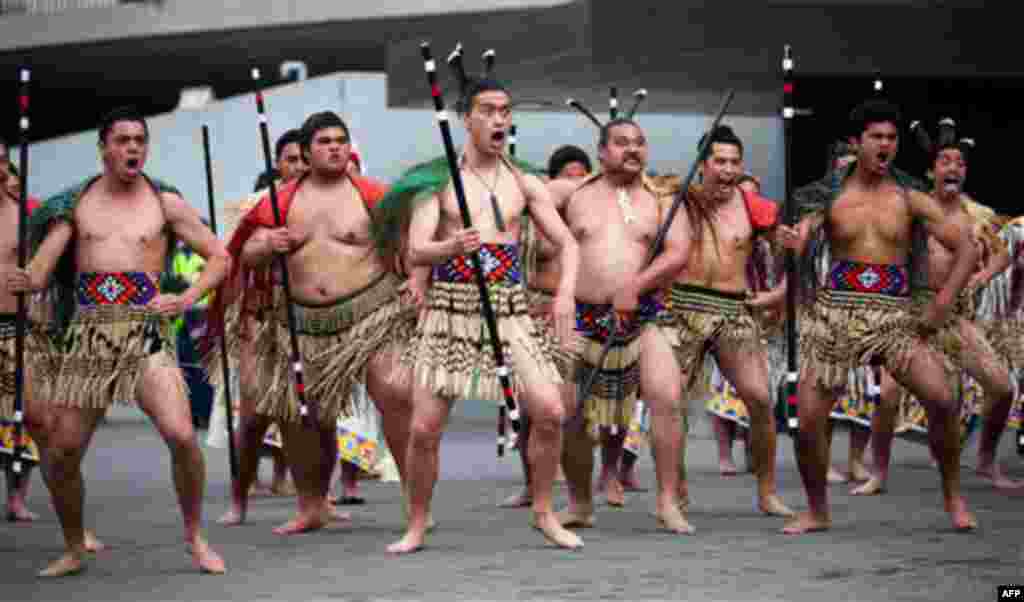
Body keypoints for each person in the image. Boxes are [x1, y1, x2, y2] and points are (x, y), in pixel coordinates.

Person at [378, 48, 582, 552]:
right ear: (466, 120)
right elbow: (415, 248)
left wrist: (565, 295)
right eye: (488, 112)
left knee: (551, 411)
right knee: (424, 429)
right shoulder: (438, 181)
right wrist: (451, 246)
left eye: (505, 112)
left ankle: (543, 511)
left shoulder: (523, 182)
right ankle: (418, 522)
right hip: (450, 309)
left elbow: (568, 243)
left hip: (510, 310)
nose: (499, 120)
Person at [14, 106, 228, 576]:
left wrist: (186, 295)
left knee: (181, 435)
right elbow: (39, 273)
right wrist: (22, 279)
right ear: (103, 147)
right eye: (123, 140)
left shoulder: (164, 202)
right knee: (64, 450)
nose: (133, 148)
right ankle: (73, 546)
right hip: (90, 334)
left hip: (146, 331)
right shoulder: (75, 204)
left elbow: (219, 256)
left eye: (139, 140)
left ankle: (195, 537)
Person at [210, 111, 419, 535]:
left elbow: (410, 245)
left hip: (371, 313)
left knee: (396, 392)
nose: (335, 147)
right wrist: (264, 246)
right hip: (301, 322)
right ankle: (312, 506)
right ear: (305, 153)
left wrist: (416, 280)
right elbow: (242, 256)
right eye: (324, 141)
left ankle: (417, 503)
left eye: (341, 140)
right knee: (306, 415)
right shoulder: (277, 202)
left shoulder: (375, 195)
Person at [779, 99, 979, 534]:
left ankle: (952, 495)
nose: (886, 145)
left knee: (943, 400)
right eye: (877, 137)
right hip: (837, 312)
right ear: (857, 143)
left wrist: (942, 302)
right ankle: (817, 510)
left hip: (895, 316)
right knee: (809, 420)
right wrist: (794, 244)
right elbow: (802, 234)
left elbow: (968, 249)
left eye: (891, 137)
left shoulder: (910, 196)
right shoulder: (828, 194)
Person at [853, 120, 1020, 495]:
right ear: (931, 170)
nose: (953, 168)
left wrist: (981, 277)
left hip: (956, 315)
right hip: (912, 313)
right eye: (945, 161)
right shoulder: (910, 209)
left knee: (1002, 387)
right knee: (890, 394)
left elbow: (1003, 256)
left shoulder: (978, 215)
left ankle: (987, 461)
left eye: (960, 163)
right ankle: (878, 472)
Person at [547, 114, 693, 533]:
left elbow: (678, 252)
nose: (633, 149)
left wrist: (636, 285)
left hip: (645, 315)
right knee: (569, 412)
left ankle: (666, 501)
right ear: (601, 152)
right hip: (582, 317)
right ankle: (579, 503)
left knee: (666, 399)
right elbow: (525, 197)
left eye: (640, 142)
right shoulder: (573, 192)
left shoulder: (663, 197)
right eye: (622, 142)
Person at [661, 125, 793, 519]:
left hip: (734, 310)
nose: (728, 170)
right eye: (719, 161)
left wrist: (780, 293)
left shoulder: (754, 207)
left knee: (760, 397)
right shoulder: (679, 200)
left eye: (735, 162)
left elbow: (793, 253)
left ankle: (767, 491)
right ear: (702, 165)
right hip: (682, 307)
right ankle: (676, 490)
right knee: (672, 402)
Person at [500, 143, 590, 509]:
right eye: (569, 174)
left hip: (564, 316)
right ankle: (532, 486)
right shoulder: (521, 213)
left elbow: (574, 189)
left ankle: (574, 493)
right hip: (524, 314)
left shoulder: (576, 213)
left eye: (582, 175)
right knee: (525, 411)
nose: (577, 182)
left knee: (565, 410)